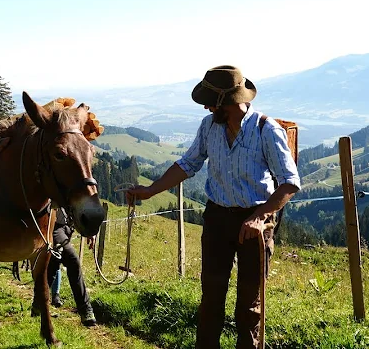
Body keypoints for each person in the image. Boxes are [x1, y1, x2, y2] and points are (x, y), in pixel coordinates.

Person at [127, 65, 300, 349]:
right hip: (217, 218)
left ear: (227, 103)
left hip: (255, 223)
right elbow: (187, 164)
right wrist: (149, 191)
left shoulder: (266, 130)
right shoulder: (210, 127)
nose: (206, 107)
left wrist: (259, 218)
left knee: (249, 305)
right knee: (211, 299)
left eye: (210, 102)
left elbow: (289, 184)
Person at [34, 207, 98, 327]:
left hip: (67, 228)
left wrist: (89, 231)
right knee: (73, 260)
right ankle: (85, 310)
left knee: (53, 266)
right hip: (53, 227)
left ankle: (38, 304)